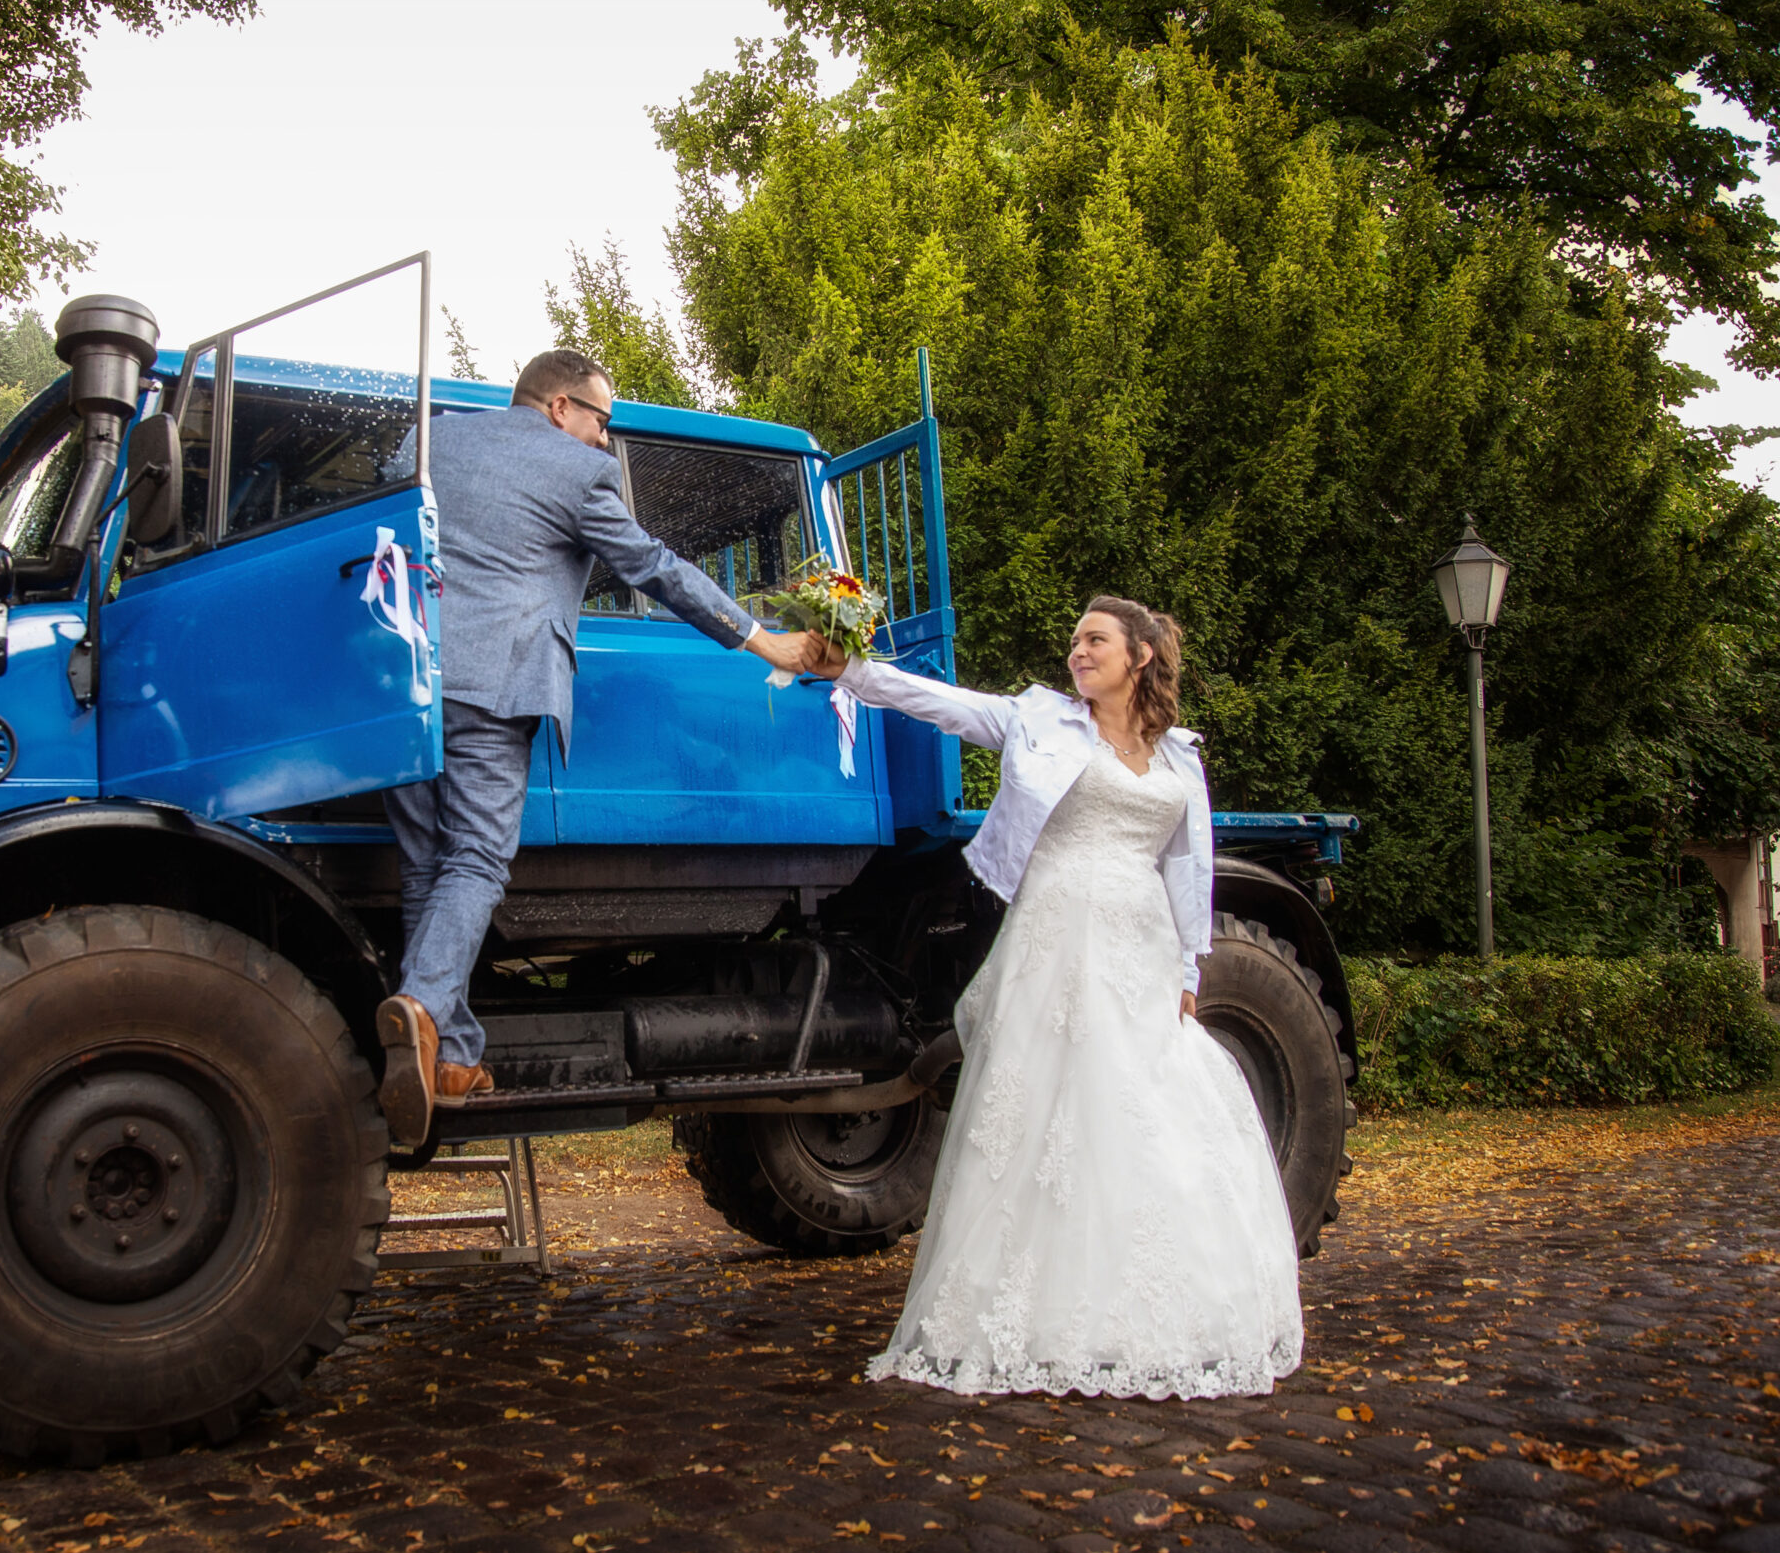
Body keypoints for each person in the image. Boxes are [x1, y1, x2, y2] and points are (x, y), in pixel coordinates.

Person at [801, 599, 1303, 1399]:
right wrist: (853, 672)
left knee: (1139, 1110)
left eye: (1094, 639)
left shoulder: (1179, 757)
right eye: (1073, 639)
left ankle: (1143, 1303)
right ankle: (1027, 1312)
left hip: (1140, 945)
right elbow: (943, 704)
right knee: (1046, 1115)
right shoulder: (1040, 720)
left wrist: (1188, 970)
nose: (1077, 650)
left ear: (1139, 655)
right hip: (1057, 938)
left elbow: (1187, 868)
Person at [376, 349, 809, 1145]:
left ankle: (450, 1056)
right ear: (557, 406)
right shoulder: (577, 475)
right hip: (491, 683)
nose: (606, 442)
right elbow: (656, 569)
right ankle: (422, 1008)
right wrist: (765, 642)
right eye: (601, 420)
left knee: (428, 868)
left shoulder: (428, 443)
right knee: (477, 859)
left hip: (397, 680)